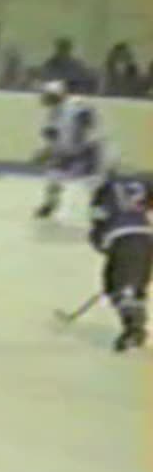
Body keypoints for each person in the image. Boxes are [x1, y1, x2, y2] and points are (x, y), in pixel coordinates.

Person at [88, 165, 151, 353]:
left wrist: (102, 244)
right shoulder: (139, 183)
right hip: (147, 237)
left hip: (122, 239)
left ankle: (134, 330)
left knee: (120, 290)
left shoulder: (101, 193)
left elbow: (98, 227)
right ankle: (137, 326)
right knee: (137, 288)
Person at [31, 80, 104, 219]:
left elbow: (90, 124)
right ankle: (50, 204)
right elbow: (52, 136)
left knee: (92, 183)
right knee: (53, 177)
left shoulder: (76, 106)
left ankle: (99, 208)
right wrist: (46, 151)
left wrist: (89, 143)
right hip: (65, 152)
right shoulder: (52, 113)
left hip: (85, 150)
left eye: (48, 95)